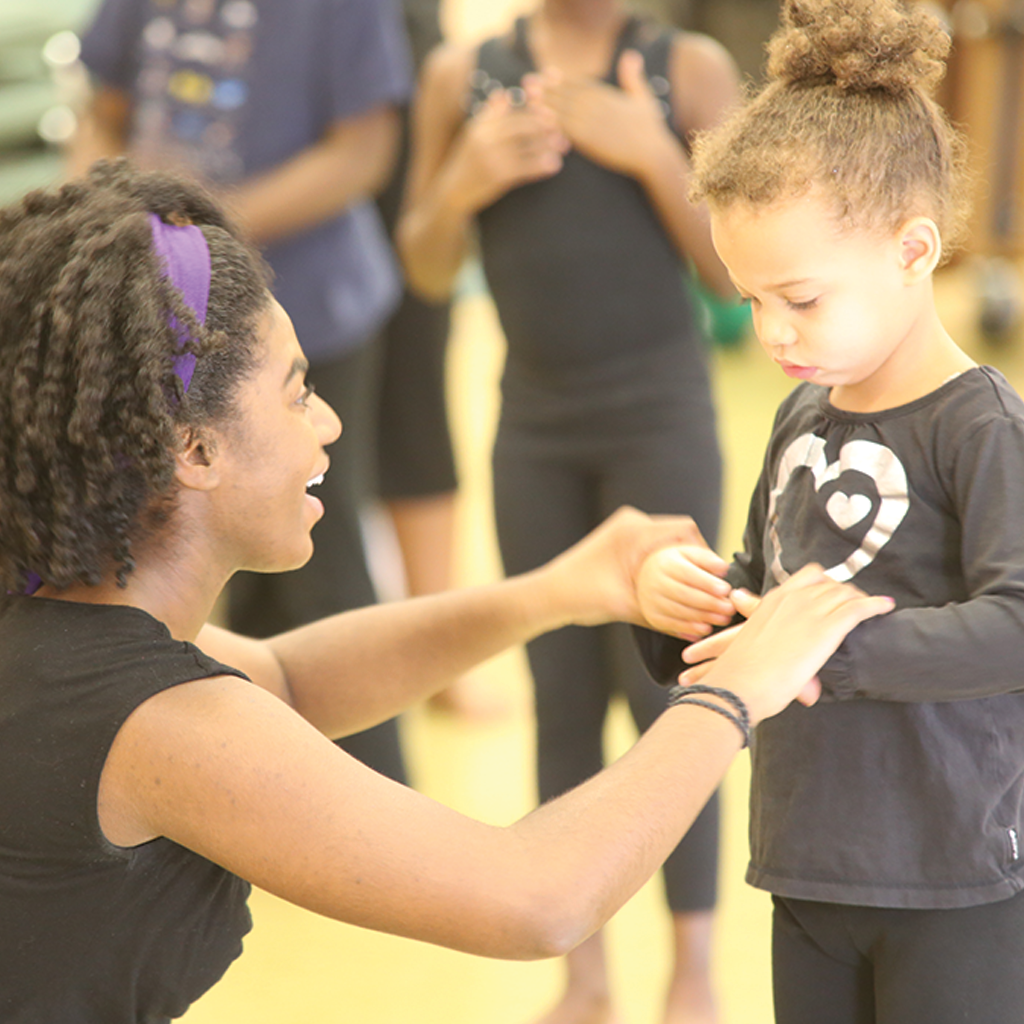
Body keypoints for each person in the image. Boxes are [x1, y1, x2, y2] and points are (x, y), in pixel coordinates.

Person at [0, 160, 892, 1023]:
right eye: (297, 393)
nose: (330, 421)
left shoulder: (50, 613)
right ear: (193, 450)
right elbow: (536, 898)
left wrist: (550, 592)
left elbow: (287, 682)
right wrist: (733, 694)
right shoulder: (153, 722)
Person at [633, 1, 1024, 1021]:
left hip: (949, 874)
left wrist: (821, 656)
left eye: (799, 298)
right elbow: (773, 589)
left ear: (912, 249)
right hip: (807, 855)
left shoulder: (977, 426)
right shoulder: (803, 409)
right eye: (748, 298)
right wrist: (693, 607)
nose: (769, 330)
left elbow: (1015, 623)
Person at [397, 2, 739, 1020]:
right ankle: (581, 969)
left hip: (659, 419)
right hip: (535, 429)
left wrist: (648, 153)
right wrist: (463, 180)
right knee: (559, 696)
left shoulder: (686, 69)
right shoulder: (463, 81)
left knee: (676, 690)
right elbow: (422, 264)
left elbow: (733, 272)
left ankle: (693, 966)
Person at [67, 0, 414, 781]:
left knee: (321, 563)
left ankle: (375, 796)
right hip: (161, 337)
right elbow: (103, 111)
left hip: (311, 317)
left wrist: (190, 245)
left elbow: (363, 152)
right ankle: (254, 784)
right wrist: (110, 233)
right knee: (208, 560)